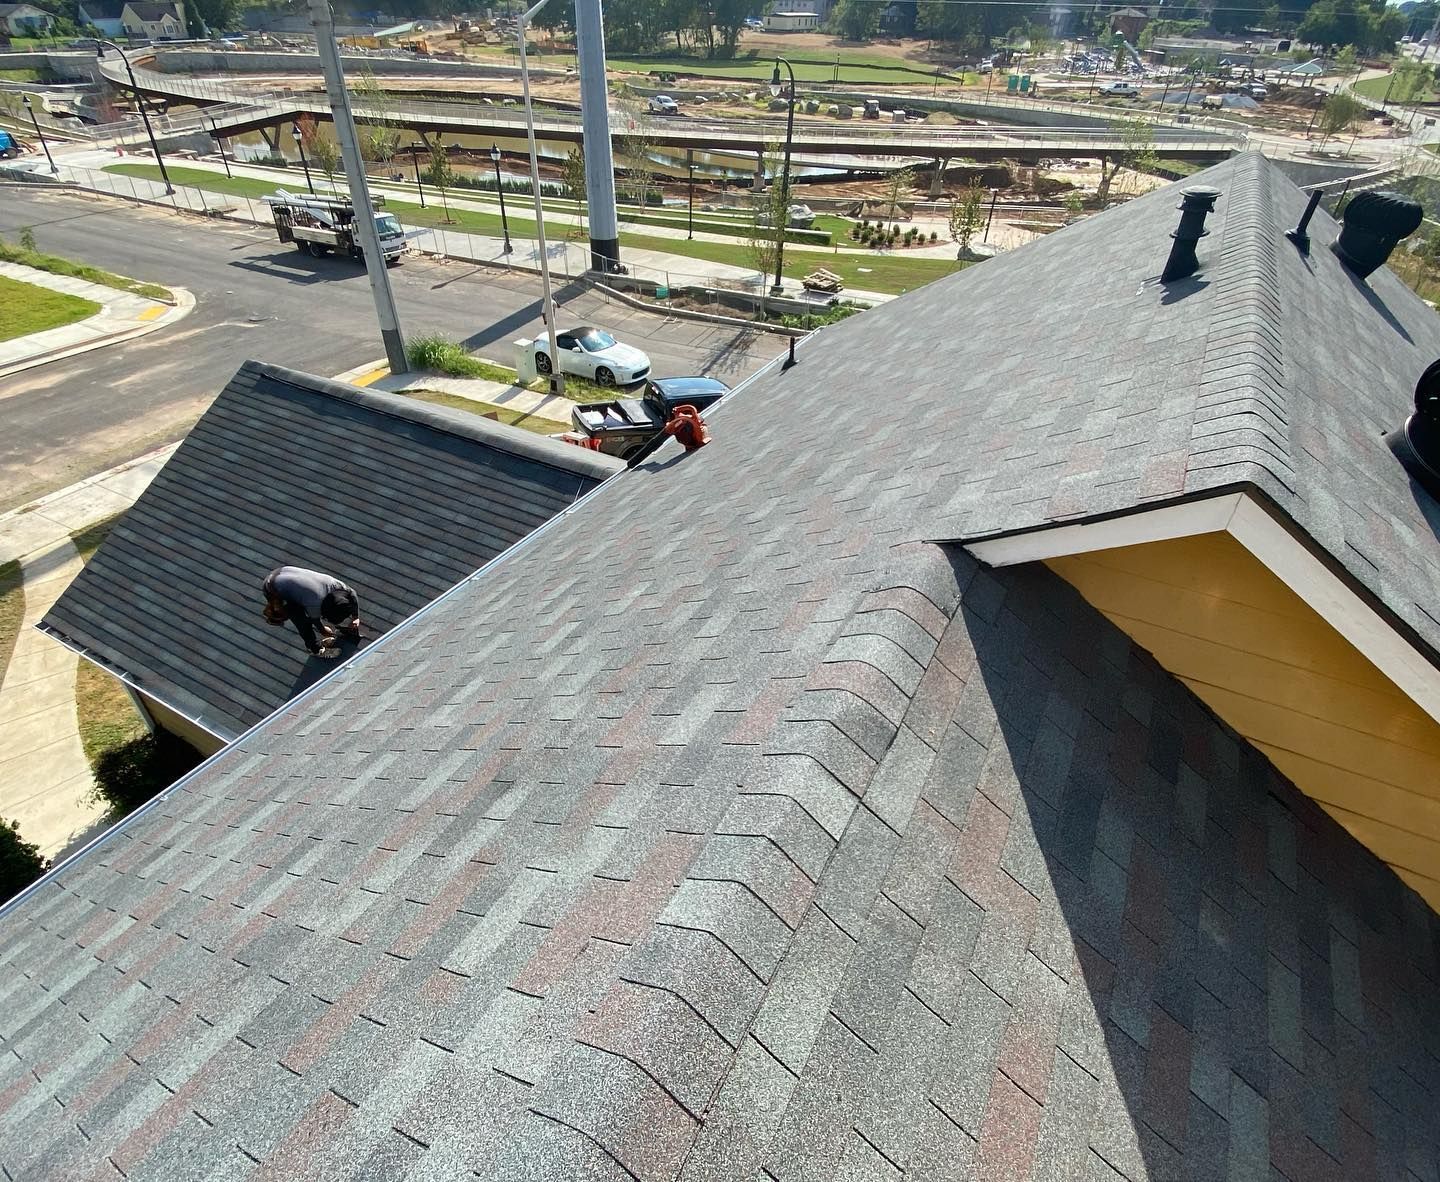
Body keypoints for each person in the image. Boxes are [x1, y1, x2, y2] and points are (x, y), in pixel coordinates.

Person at [262, 566, 361, 658]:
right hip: (274, 589)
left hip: (283, 573)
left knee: (303, 602)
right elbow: (315, 620)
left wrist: (355, 617)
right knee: (302, 621)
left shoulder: (336, 586)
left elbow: (353, 593)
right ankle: (315, 649)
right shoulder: (314, 602)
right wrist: (324, 631)